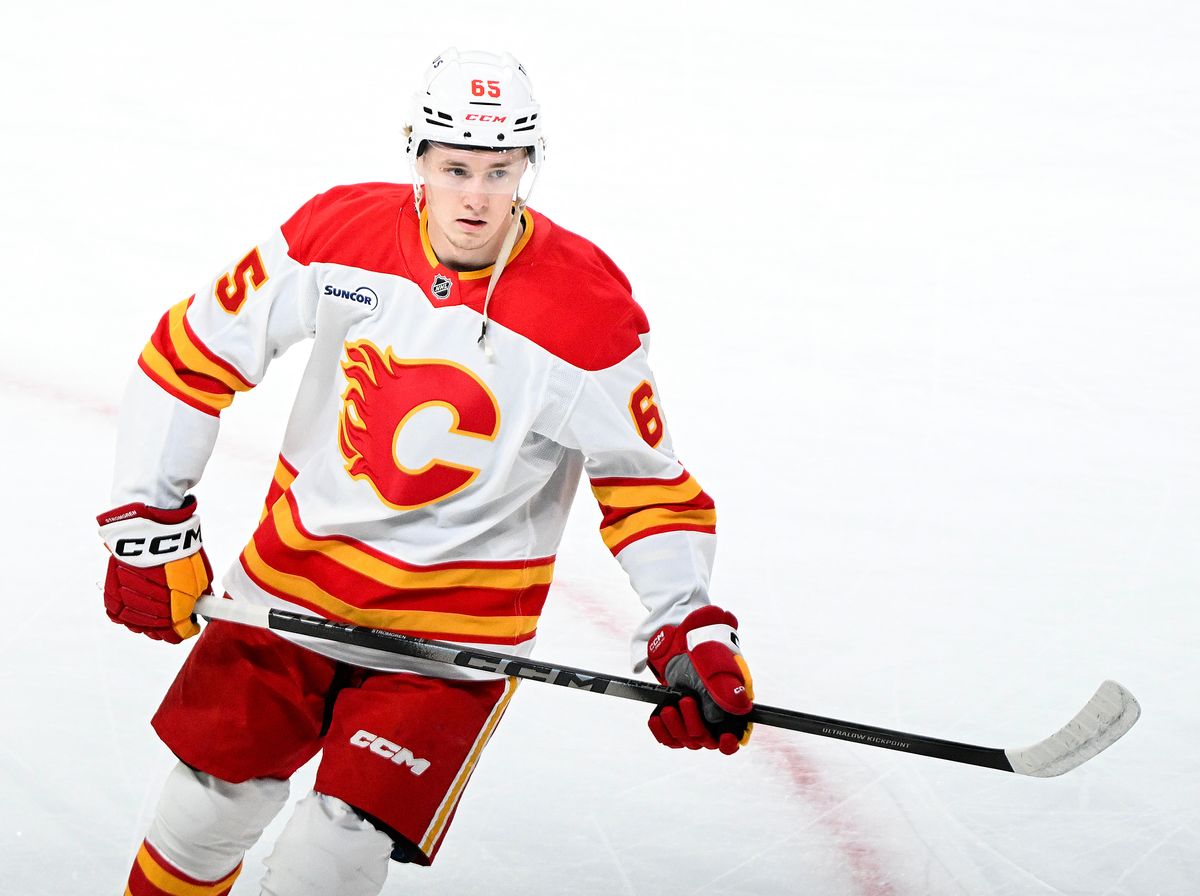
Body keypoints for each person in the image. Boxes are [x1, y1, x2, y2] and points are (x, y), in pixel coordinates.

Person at [98, 48, 754, 896]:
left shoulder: (586, 312)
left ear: (528, 166)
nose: (475, 197)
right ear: (418, 157)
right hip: (289, 591)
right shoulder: (337, 234)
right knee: (201, 813)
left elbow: (645, 483)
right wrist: (147, 522)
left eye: (499, 171)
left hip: (446, 647)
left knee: (328, 862)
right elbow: (192, 352)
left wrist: (689, 621)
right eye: (455, 169)